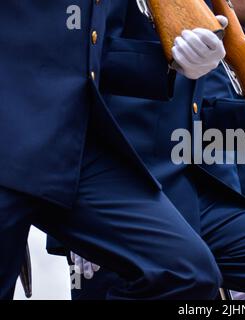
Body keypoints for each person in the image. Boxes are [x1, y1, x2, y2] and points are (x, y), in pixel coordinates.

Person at [49, 0, 245, 300]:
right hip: (116, 191)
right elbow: (75, 71)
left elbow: (201, 130)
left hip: (188, 195)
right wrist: (79, 214)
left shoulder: (212, 26)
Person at [0, 0, 227, 300]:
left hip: (74, 147)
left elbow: (92, 50)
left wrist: (173, 63)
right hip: (9, 127)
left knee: (185, 271)